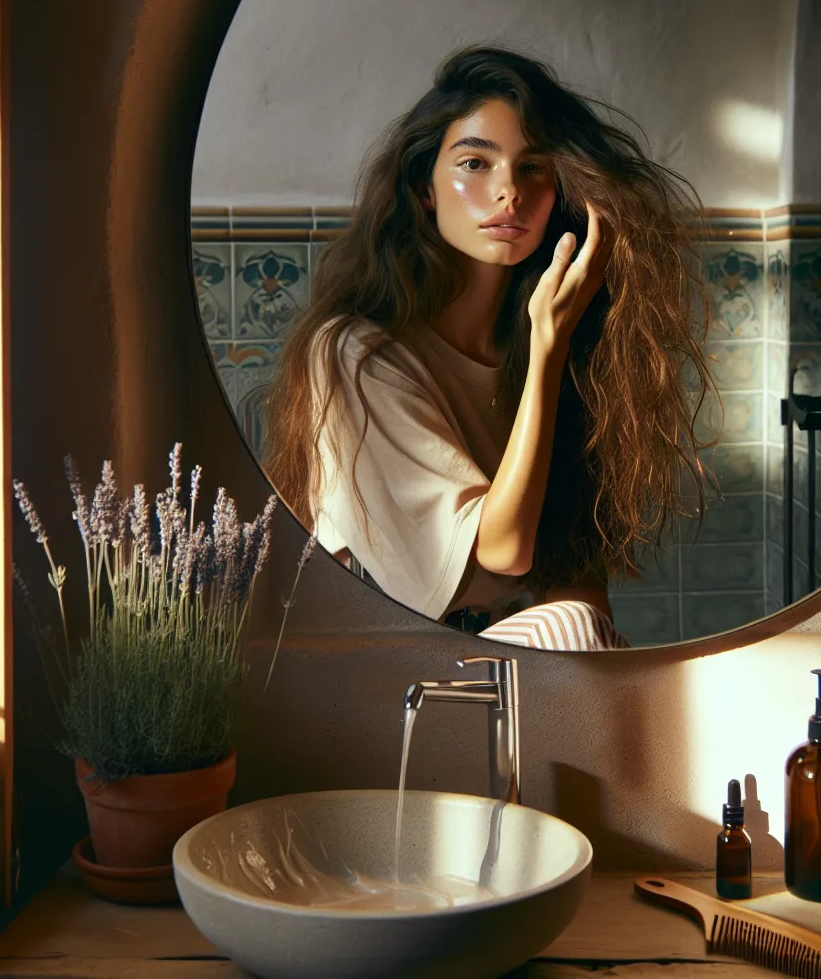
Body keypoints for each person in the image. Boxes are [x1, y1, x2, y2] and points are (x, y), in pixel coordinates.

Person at [264, 45, 715, 650]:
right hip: (391, 679)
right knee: (576, 632)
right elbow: (504, 551)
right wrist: (547, 347)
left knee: (594, 639)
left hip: (517, 671)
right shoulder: (354, 355)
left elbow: (575, 576)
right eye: (475, 164)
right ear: (425, 189)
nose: (509, 193)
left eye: (533, 168)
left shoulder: (554, 344)